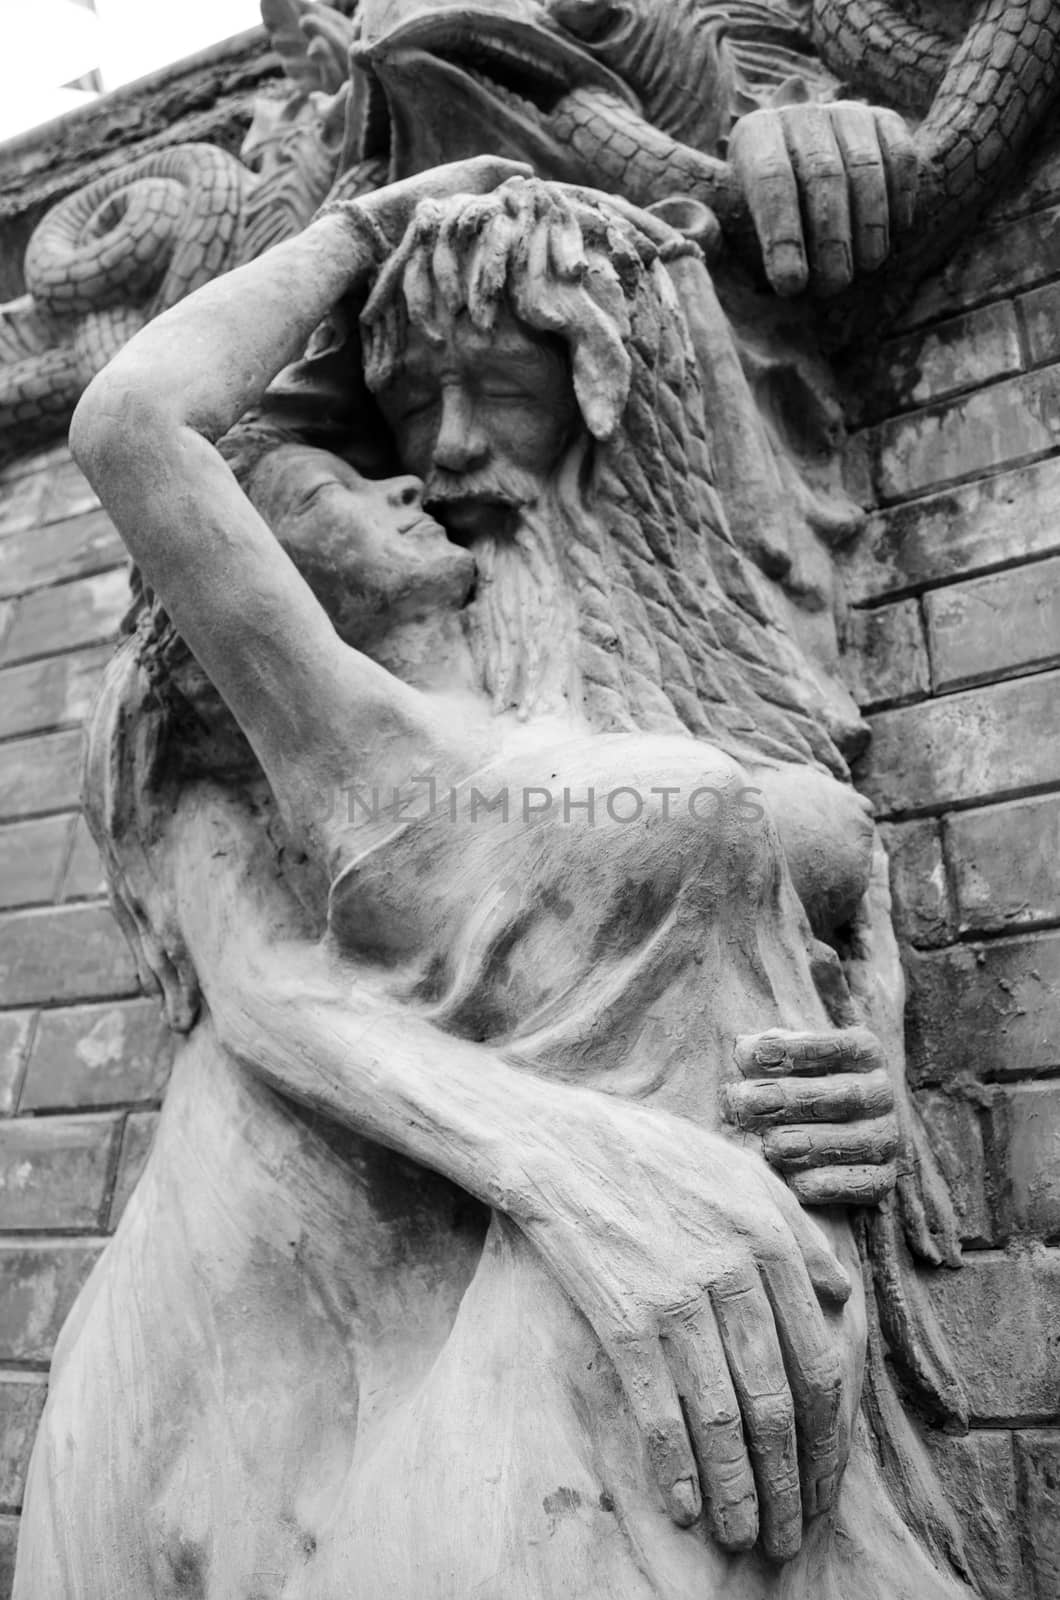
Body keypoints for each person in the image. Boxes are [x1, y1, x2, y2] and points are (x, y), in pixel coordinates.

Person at [16, 163, 968, 1598]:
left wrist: (867, 1045)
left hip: (741, 1346)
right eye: (385, 435)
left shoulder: (574, 704)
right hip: (528, 1330)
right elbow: (137, 428)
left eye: (503, 392)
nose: (435, 466)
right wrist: (367, 226)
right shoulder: (338, 745)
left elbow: (820, 879)